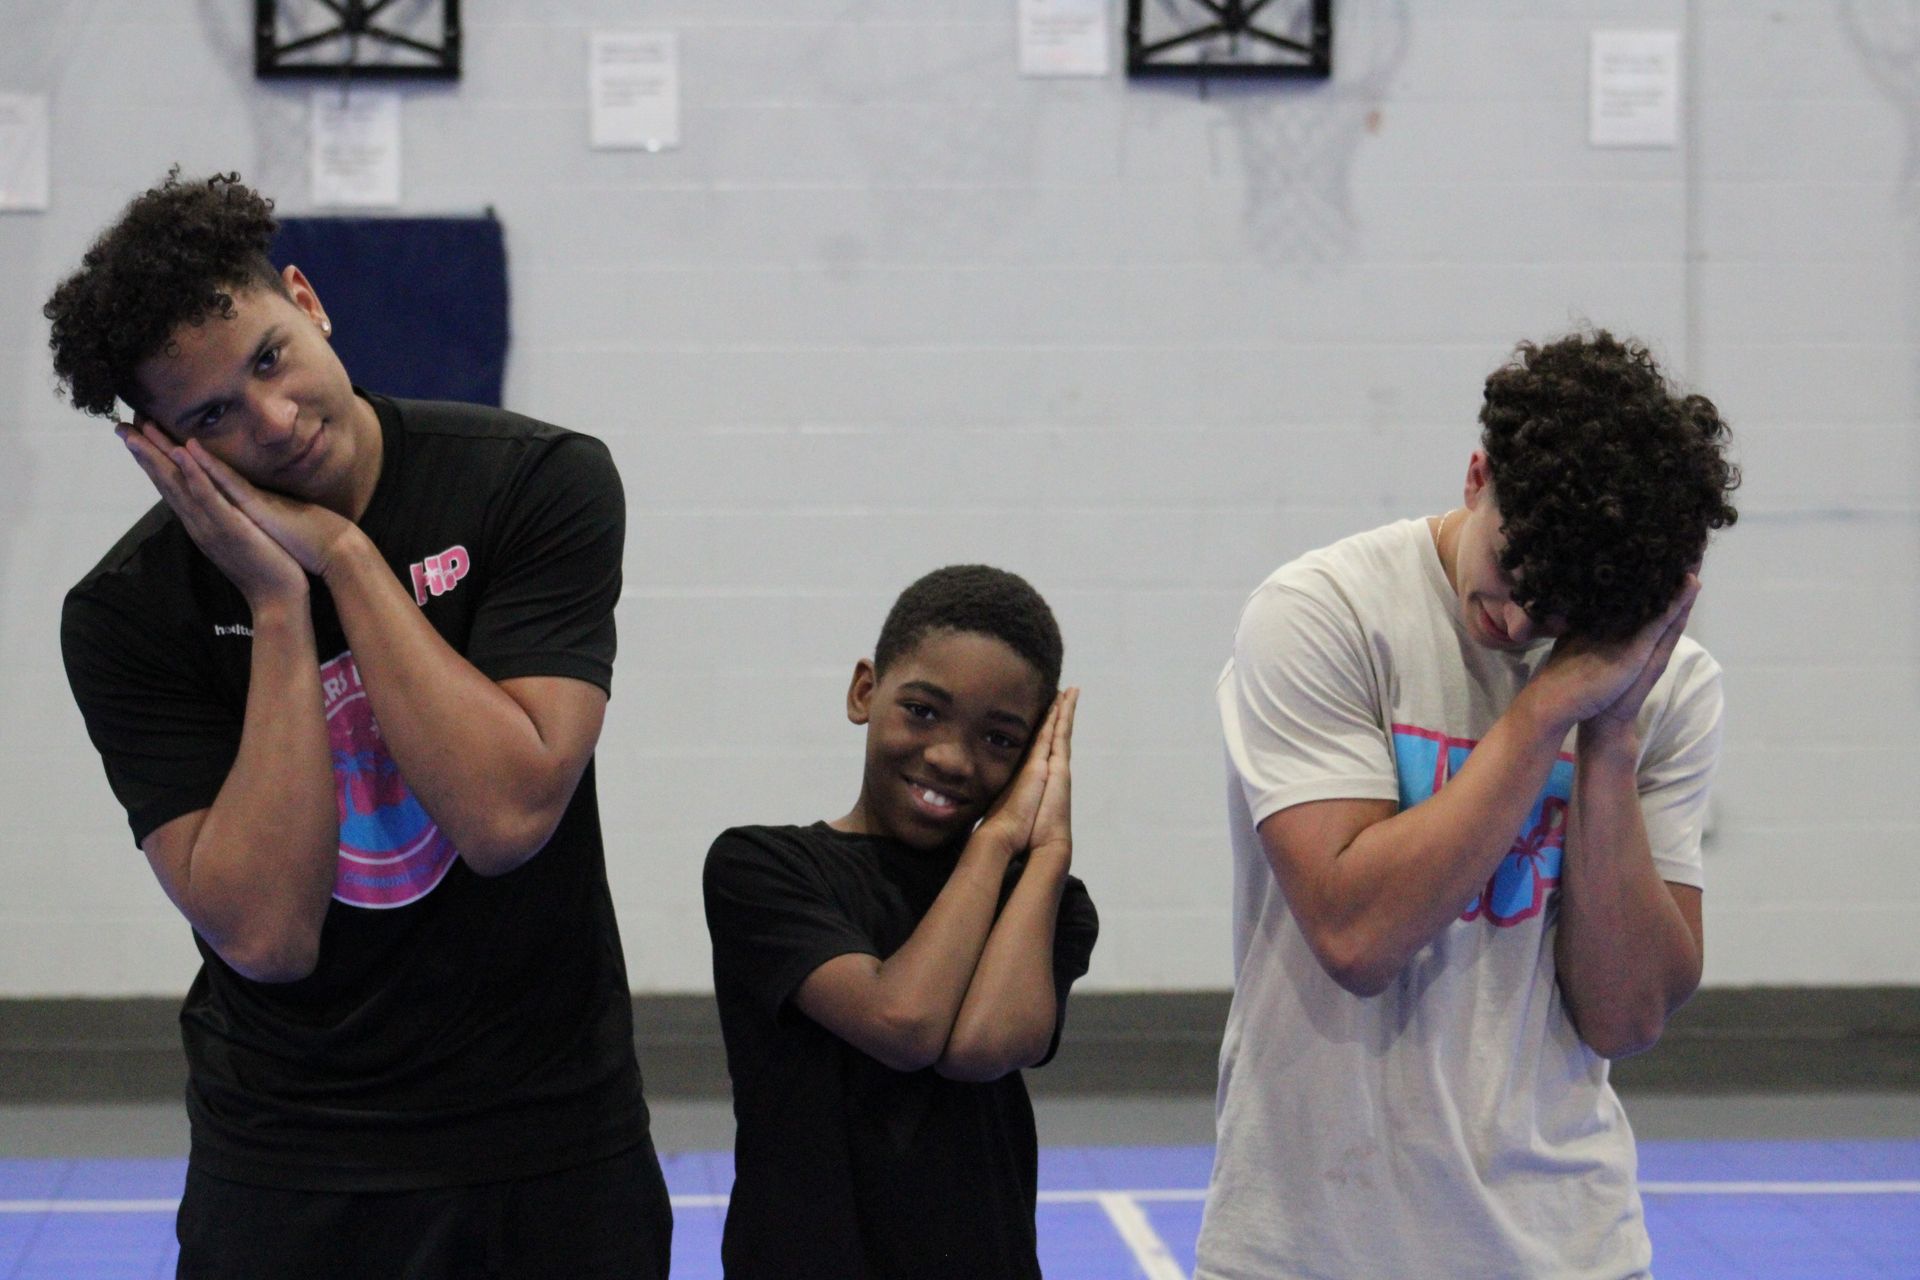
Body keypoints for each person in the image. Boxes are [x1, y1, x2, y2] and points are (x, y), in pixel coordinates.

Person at [47, 170, 672, 1279]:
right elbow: (269, 935)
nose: (275, 422)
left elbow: (505, 811)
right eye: (212, 416)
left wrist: (340, 553)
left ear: (308, 298)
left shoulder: (535, 484)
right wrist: (279, 604)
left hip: (552, 1138)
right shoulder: (126, 613)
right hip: (293, 1160)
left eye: (271, 358)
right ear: (161, 442)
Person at [1195, 331, 1741, 1280]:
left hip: (1567, 1245)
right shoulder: (1326, 615)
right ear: (1477, 476)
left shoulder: (1669, 687)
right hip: (1308, 1243)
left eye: (1562, 610)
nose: (1523, 624)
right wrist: (1543, 711)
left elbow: (1626, 1017)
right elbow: (1359, 936)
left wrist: (1609, 737)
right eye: (1512, 572)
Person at [701, 564, 1099, 1280]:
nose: (949, 756)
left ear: (1036, 755)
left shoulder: (1047, 903)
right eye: (922, 711)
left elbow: (978, 1049)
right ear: (864, 691)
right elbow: (904, 1023)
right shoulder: (761, 868)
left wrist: (1039, 849)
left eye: (1000, 740)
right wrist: (998, 840)